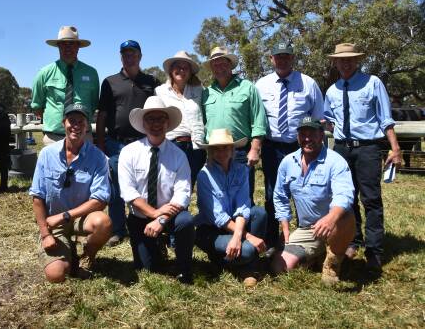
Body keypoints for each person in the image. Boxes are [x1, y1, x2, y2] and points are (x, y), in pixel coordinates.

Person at [323, 43, 402, 273]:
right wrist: (320, 123)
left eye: (350, 59)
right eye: (341, 60)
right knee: (346, 198)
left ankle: (374, 251)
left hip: (367, 148)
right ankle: (353, 241)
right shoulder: (332, 90)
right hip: (341, 149)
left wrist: (395, 148)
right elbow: (329, 120)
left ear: (357, 61)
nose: (345, 63)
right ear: (335, 62)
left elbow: (385, 119)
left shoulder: (372, 83)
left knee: (371, 199)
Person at [29, 103, 112, 283]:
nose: (76, 126)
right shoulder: (46, 154)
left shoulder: (98, 157)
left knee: (103, 222)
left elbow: (100, 200)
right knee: (56, 275)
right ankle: (67, 251)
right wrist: (45, 234)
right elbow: (37, 197)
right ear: (63, 123)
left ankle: (87, 256)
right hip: (53, 224)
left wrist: (65, 216)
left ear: (87, 126)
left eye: (80, 121)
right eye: (71, 121)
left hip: (81, 219)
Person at [255, 42, 324, 251]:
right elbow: (257, 117)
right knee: (272, 193)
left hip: (301, 147)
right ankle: (272, 238)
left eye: (286, 56)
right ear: (271, 59)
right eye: (278, 56)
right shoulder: (261, 85)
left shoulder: (308, 83)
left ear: (293, 59)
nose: (282, 60)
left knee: (305, 192)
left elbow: (319, 118)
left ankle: (307, 237)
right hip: (271, 146)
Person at [118, 96, 195, 284]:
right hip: (141, 217)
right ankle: (158, 245)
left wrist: (161, 219)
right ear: (144, 123)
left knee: (186, 220)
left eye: (160, 119)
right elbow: (128, 192)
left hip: (170, 216)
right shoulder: (129, 152)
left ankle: (184, 268)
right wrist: (153, 213)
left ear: (167, 123)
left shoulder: (179, 155)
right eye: (150, 119)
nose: (156, 124)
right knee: (148, 269)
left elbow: (183, 194)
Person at [270, 117, 356, 286]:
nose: (307, 138)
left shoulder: (335, 161)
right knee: (279, 267)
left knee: (345, 216)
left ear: (321, 135)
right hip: (308, 229)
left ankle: (332, 264)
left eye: (312, 134)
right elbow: (280, 195)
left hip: (335, 225)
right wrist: (285, 226)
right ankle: (316, 255)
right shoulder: (288, 162)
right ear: (297, 137)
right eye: (303, 134)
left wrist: (330, 219)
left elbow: (345, 195)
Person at [97, 40, 161, 246]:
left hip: (145, 142)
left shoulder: (152, 82)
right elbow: (103, 115)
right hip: (117, 143)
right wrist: (100, 143)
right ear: (121, 57)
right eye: (125, 53)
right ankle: (117, 229)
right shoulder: (110, 82)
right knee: (116, 186)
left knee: (147, 184)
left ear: (140, 56)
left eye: (132, 53)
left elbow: (159, 112)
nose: (129, 56)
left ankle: (148, 221)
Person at [194, 129, 268, 287]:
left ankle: (247, 267)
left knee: (259, 213)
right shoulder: (204, 175)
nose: (221, 152)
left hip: (235, 224)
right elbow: (218, 217)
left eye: (225, 147)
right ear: (210, 152)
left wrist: (238, 236)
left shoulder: (242, 170)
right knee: (248, 250)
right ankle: (225, 261)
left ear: (232, 149)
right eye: (216, 148)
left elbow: (243, 205)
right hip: (211, 229)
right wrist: (247, 237)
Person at [202, 46, 268, 205]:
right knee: (217, 195)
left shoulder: (247, 88)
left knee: (243, 196)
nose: (219, 67)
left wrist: (254, 149)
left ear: (231, 65)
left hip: (239, 152)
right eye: (215, 64)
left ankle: (244, 228)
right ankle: (221, 228)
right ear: (211, 68)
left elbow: (258, 121)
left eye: (223, 63)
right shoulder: (206, 92)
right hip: (214, 153)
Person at [30, 26, 99, 145]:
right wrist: (58, 122)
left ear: (78, 47)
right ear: (58, 46)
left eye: (72, 44)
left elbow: (93, 105)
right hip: (54, 138)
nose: (68, 47)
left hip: (83, 136)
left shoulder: (91, 73)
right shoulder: (44, 73)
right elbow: (37, 107)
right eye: (63, 44)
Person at [156, 51, 206, 188]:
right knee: (171, 185)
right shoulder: (160, 92)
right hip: (172, 145)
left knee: (190, 184)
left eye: (185, 67)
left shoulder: (199, 91)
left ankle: (184, 210)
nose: (181, 70)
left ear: (190, 72)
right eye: (177, 66)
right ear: (171, 70)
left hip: (196, 146)